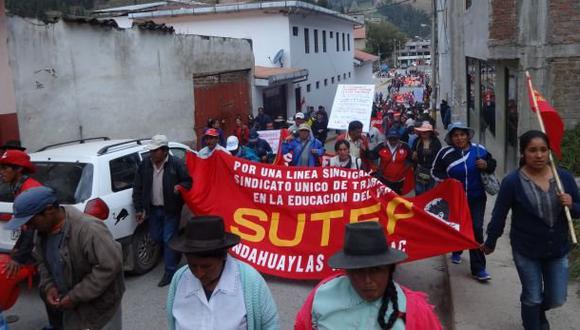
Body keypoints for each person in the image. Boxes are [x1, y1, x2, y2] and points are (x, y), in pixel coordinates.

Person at [482, 130, 580, 330]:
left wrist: (572, 205)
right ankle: (533, 320)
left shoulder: (564, 179)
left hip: (558, 249)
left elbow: (578, 210)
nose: (539, 155)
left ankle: (536, 309)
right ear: (523, 153)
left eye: (543, 150)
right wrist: (491, 241)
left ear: (549, 152)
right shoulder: (513, 182)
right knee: (533, 296)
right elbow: (499, 214)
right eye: (533, 150)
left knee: (557, 299)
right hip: (526, 250)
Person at [6, 187, 125, 329]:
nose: (27, 227)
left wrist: (75, 296)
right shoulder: (41, 232)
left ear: (49, 210)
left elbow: (109, 267)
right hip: (72, 309)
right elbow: (42, 262)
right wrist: (49, 286)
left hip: (101, 310)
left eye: (30, 221)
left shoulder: (89, 229)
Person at [294, 221, 442, 330]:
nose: (367, 281)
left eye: (376, 270)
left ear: (389, 270)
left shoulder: (415, 310)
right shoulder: (321, 296)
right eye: (359, 271)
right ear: (347, 272)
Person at [166, 215, 280, 330]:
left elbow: (271, 325)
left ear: (223, 256)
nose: (199, 273)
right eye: (193, 266)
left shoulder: (251, 281)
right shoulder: (179, 278)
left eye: (207, 266)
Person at [432, 122, 496, 282]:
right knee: (457, 228)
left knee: (475, 229)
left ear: (468, 136)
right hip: (455, 199)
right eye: (455, 135)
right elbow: (435, 171)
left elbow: (492, 164)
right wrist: (449, 182)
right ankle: (457, 248)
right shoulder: (445, 153)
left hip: (477, 198)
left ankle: (479, 268)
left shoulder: (479, 150)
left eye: (462, 134)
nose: (459, 138)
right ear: (451, 138)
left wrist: (486, 165)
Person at [133, 135, 193, 287]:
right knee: (156, 237)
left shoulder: (176, 164)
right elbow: (138, 187)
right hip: (153, 209)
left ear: (165, 151)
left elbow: (188, 182)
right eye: (151, 151)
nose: (151, 154)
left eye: (155, 151)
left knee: (167, 239)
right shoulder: (145, 165)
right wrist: (139, 208)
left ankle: (170, 272)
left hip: (171, 209)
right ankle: (176, 251)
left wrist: (180, 187)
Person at [367, 128, 412, 195]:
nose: (393, 141)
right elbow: (372, 156)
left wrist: (404, 170)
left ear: (398, 138)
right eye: (391, 138)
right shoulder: (382, 146)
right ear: (387, 138)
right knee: (385, 197)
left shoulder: (405, 146)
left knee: (397, 198)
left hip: (399, 180)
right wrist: (366, 150)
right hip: (384, 179)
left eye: (395, 138)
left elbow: (410, 159)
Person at [411, 122, 441, 195]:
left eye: (426, 131)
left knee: (429, 191)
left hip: (431, 170)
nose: (423, 133)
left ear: (430, 132)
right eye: (422, 131)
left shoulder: (436, 142)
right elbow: (412, 151)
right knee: (419, 190)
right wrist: (413, 154)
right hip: (420, 169)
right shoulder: (417, 141)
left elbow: (439, 155)